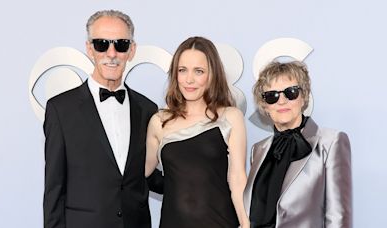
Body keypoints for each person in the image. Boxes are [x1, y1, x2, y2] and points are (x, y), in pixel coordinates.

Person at [43, 10, 163, 228]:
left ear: (132, 50)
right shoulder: (61, 109)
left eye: (121, 44)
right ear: (90, 49)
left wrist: (202, 180)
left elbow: (146, 176)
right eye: (101, 44)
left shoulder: (147, 109)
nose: (111, 53)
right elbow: (54, 189)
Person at [145, 36, 249, 228]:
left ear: (212, 75)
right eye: (182, 70)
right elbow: (139, 172)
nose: (189, 79)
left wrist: (245, 223)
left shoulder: (230, 117)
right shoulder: (159, 122)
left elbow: (237, 179)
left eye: (199, 71)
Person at [243, 61, 352, 228]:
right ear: (264, 105)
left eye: (291, 92)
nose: (282, 101)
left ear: (304, 97)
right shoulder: (257, 150)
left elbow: (338, 217)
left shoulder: (331, 142)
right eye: (272, 96)